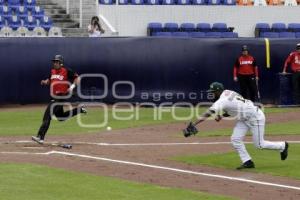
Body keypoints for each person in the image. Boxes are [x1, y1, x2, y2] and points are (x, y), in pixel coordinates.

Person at [183, 82, 289, 170]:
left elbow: (209, 112)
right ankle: (248, 161)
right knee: (235, 139)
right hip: (243, 118)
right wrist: (222, 115)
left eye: (213, 92)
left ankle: (282, 146)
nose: (212, 94)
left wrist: (195, 123)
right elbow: (235, 107)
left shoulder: (222, 100)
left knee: (259, 145)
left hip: (255, 117)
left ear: (218, 91)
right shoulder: (227, 92)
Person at [32, 55, 87, 144]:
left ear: (61, 63)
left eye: (56, 61)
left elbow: (78, 78)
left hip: (61, 97)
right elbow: (50, 80)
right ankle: (79, 110)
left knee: (47, 115)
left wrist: (72, 87)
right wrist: (45, 82)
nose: (54, 63)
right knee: (61, 117)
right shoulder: (52, 71)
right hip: (54, 97)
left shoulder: (66, 70)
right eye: (54, 61)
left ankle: (40, 137)